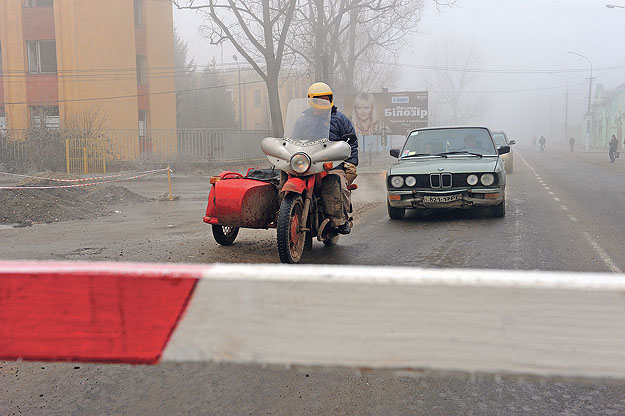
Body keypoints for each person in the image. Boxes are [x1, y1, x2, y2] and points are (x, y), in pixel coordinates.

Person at [302, 82, 358, 235]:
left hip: (332, 163)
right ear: (311, 100)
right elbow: (292, 139)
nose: (322, 102)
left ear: (330, 99)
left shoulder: (340, 119)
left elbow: (352, 142)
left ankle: (343, 219)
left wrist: (351, 162)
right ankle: (284, 213)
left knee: (340, 185)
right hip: (307, 162)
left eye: (325, 99)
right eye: (318, 100)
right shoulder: (302, 120)